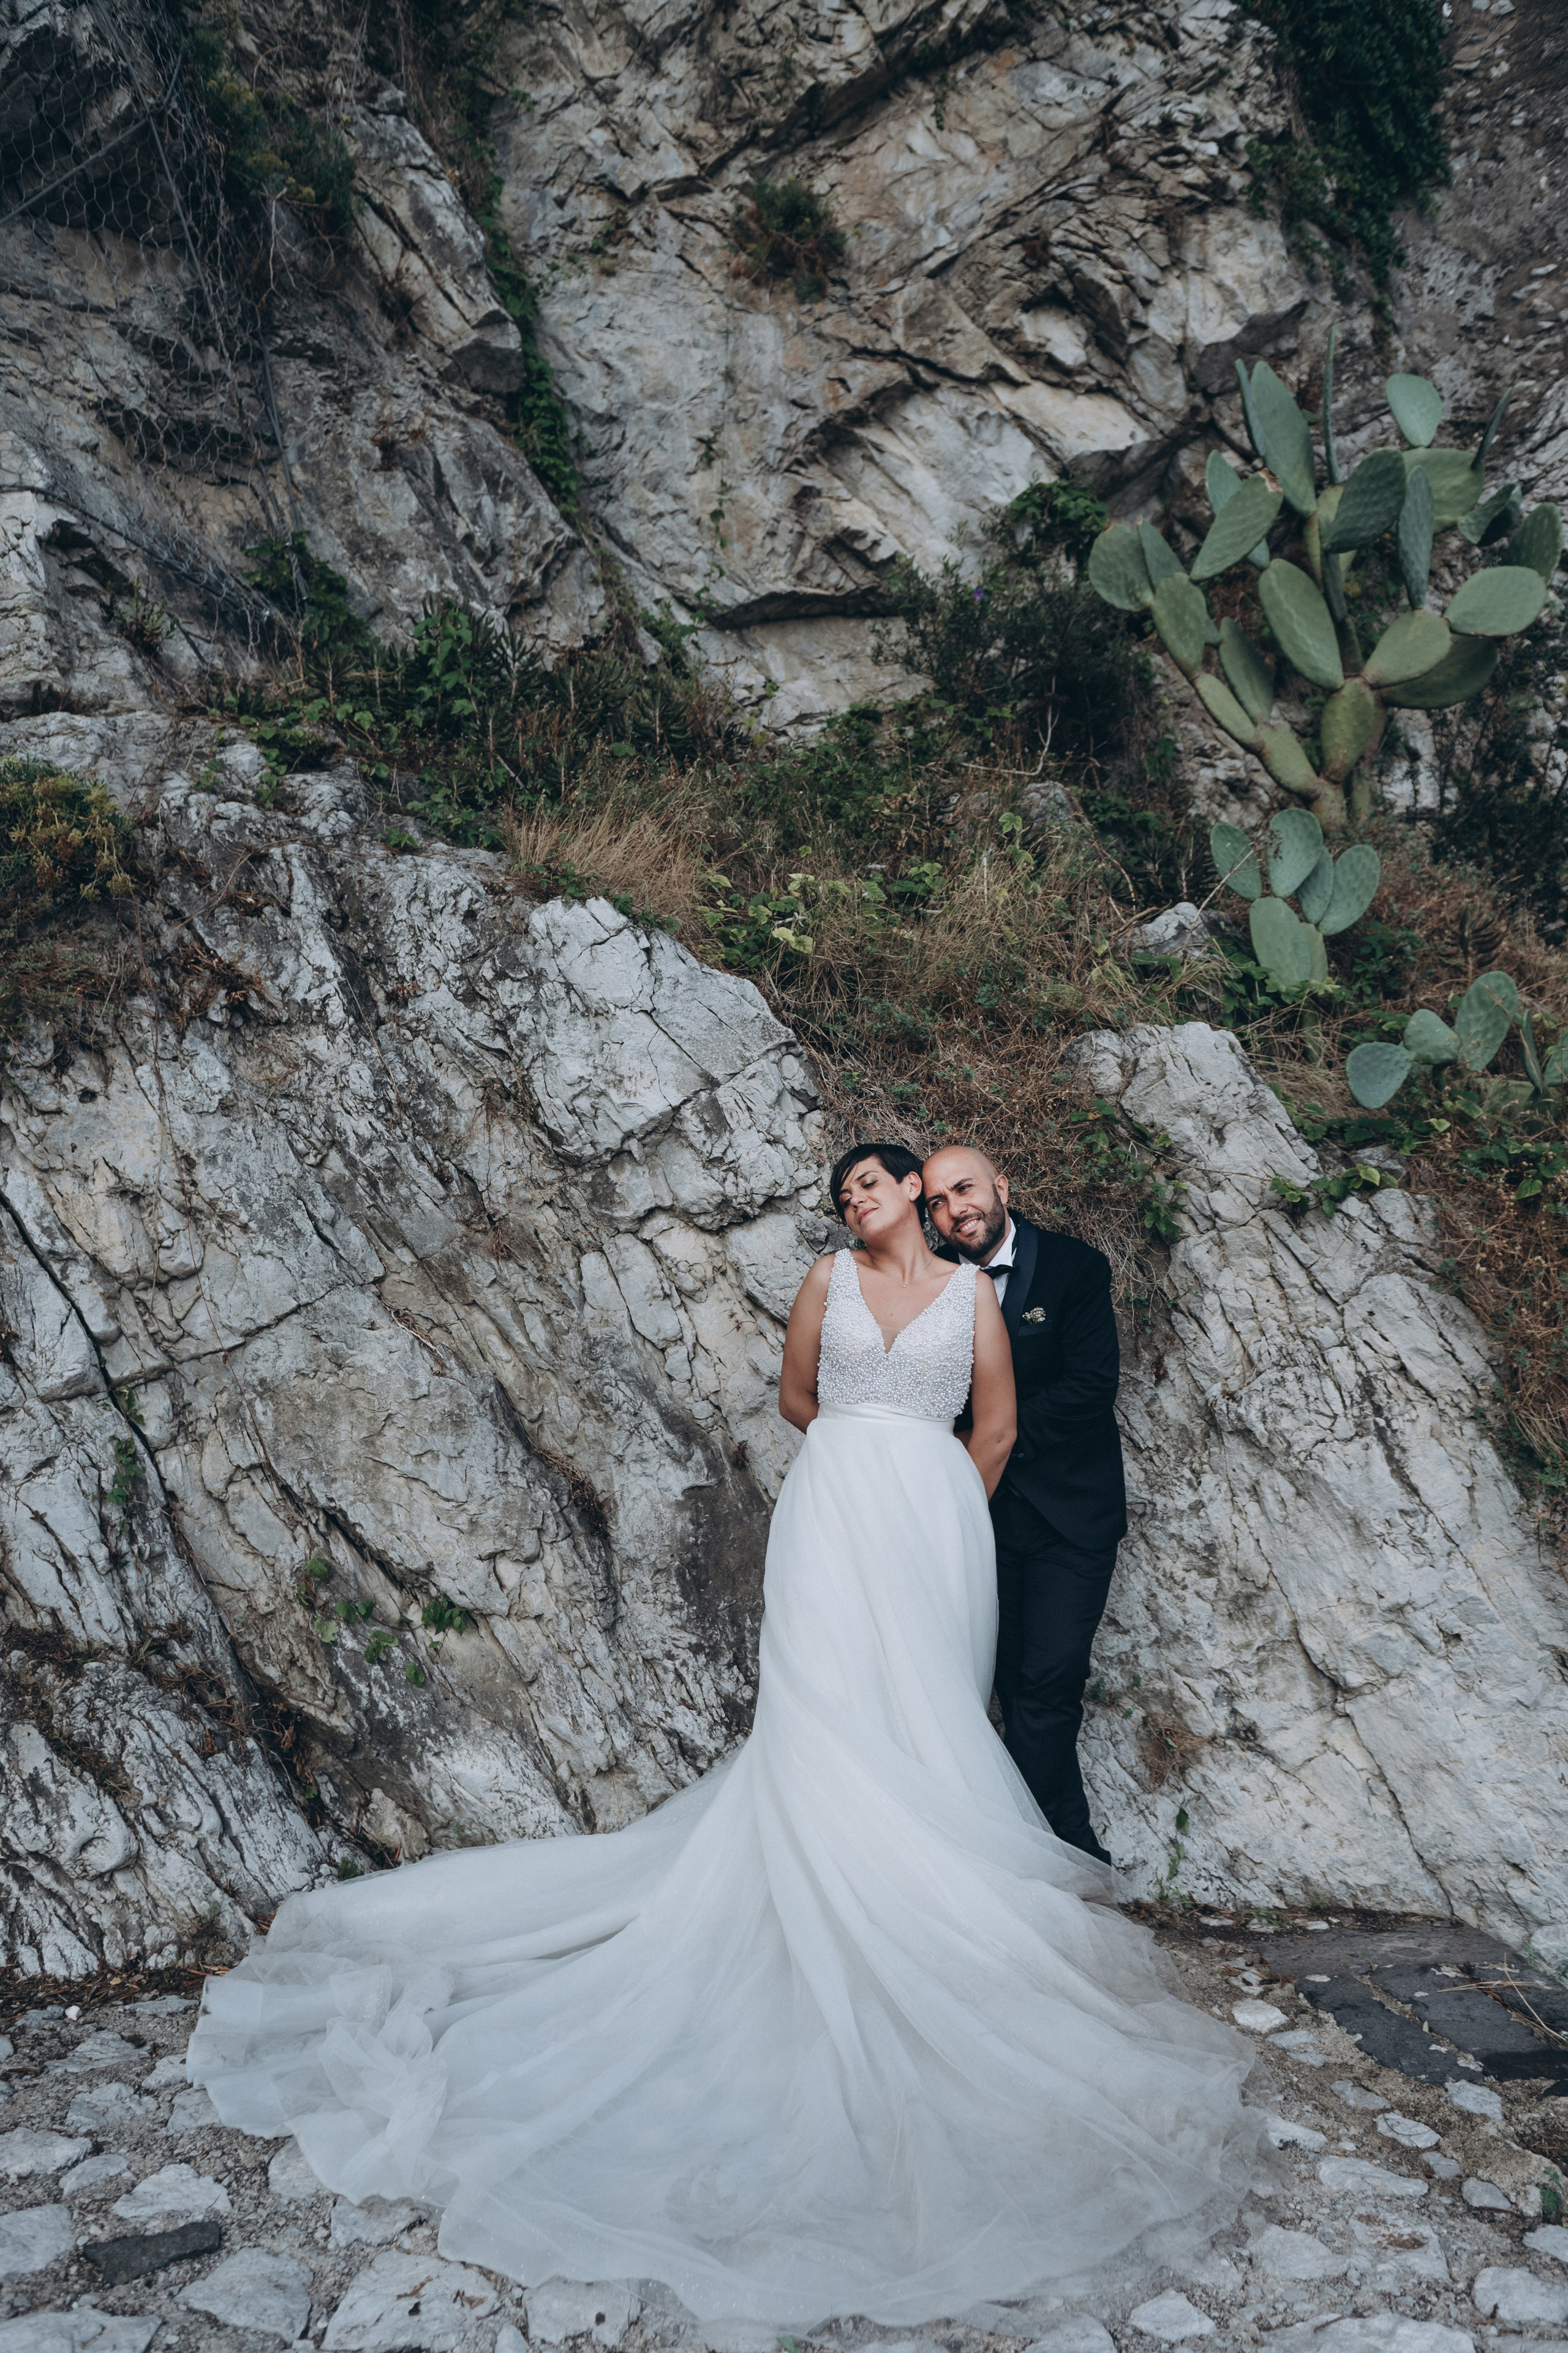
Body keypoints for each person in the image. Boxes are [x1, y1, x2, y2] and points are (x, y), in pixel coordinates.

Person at [187, 1140, 1260, 2329]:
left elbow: (994, 1429)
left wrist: (933, 1504)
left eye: (873, 1183)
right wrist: (861, 1452)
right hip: (833, 1504)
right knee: (820, 1704)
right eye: (842, 1191)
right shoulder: (823, 1279)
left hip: (932, 1521)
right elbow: (797, 1399)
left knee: (928, 1711)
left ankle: (918, 1900)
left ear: (917, 1190)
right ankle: (814, 1894)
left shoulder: (968, 1297)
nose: (857, 1201)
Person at [922, 1146, 1125, 1865]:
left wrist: (992, 1434)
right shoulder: (936, 1285)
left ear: (1001, 1186)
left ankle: (1064, 1856)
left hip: (1069, 1519)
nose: (955, 1209)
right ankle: (1040, 1857)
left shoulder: (1074, 1268)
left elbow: (1089, 1387)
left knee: (1046, 1681)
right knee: (997, 1687)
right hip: (977, 1518)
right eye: (938, 1203)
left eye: (965, 1189)